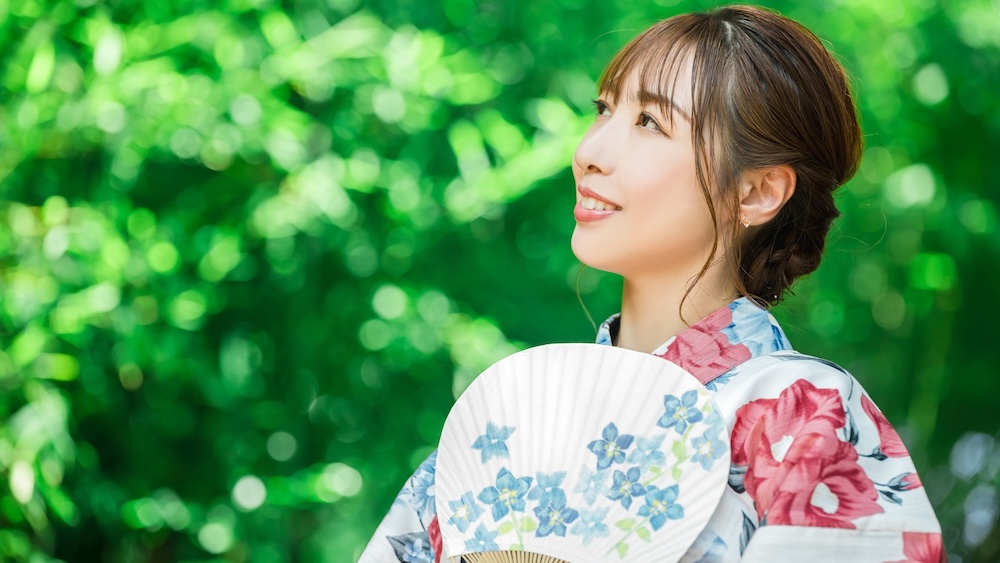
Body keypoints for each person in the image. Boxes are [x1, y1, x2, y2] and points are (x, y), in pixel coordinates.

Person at [360, 5, 943, 562]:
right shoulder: (512, 416)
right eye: (603, 110)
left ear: (757, 191)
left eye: (649, 122)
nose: (588, 153)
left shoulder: (801, 415)